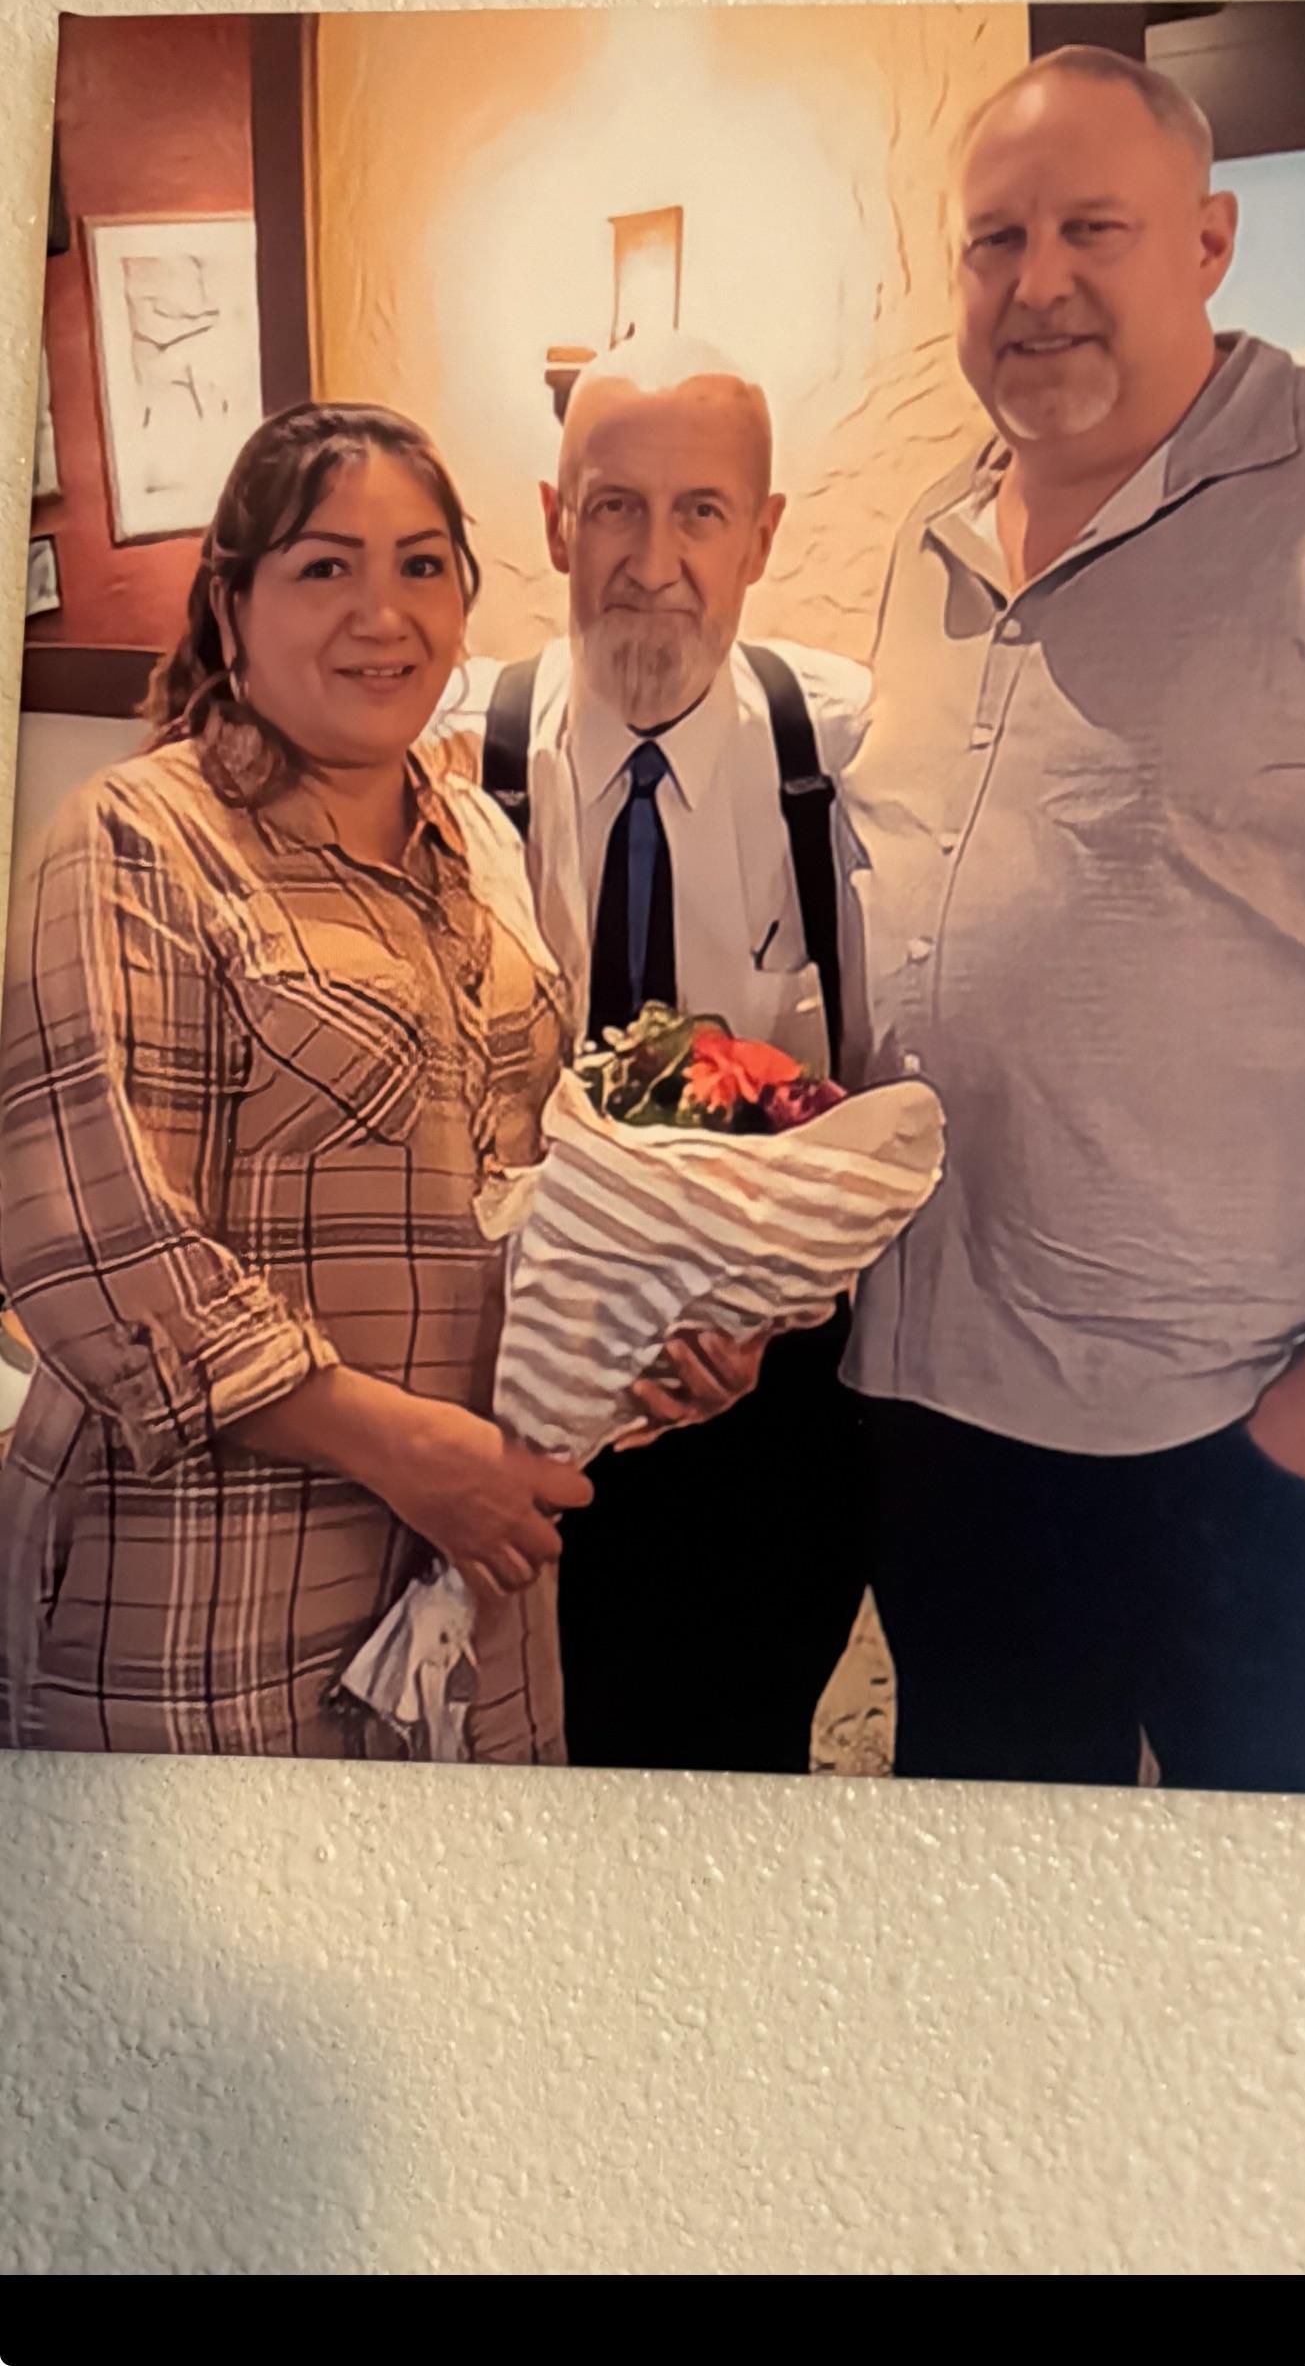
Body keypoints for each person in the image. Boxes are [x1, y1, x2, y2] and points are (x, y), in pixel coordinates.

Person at [0, 400, 747, 1761]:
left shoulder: (479, 838)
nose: (381, 612)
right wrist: (400, 1449)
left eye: (419, 565)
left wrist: (664, 1326)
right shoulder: (138, 839)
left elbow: (533, 1182)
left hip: (471, 1585)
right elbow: (99, 1251)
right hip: (213, 1591)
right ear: (229, 609)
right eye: (323, 566)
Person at [843, 42, 1305, 1793]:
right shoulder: (927, 534)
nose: (1036, 282)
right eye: (994, 240)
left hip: (1230, 1430)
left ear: (1205, 241)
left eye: (1090, 230)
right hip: (939, 1401)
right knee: (986, 1902)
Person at [437, 331, 873, 1773]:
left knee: (734, 1776)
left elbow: (892, 1097)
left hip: (761, 1417)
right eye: (614, 505)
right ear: (556, 519)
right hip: (508, 1406)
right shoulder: (443, 751)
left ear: (762, 534)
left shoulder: (853, 749)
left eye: (700, 512)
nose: (652, 557)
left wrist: (767, 1313)